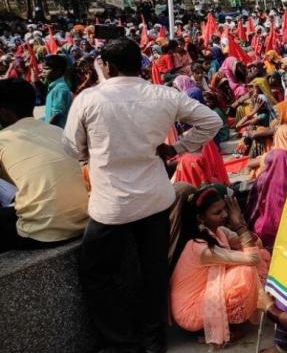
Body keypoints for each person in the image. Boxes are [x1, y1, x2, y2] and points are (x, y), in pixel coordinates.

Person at [63, 38, 222, 352]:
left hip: (112, 205)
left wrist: (91, 152)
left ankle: (122, 339)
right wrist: (177, 147)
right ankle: (153, 339)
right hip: (154, 200)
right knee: (154, 271)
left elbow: (70, 147)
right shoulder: (162, 95)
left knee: (95, 274)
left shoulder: (89, 99)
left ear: (106, 66)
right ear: (141, 64)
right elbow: (212, 121)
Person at [169, 185, 269, 349]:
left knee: (261, 255)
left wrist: (240, 223)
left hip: (203, 295)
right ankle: (210, 328)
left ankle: (224, 322)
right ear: (201, 218)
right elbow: (251, 258)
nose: (224, 215)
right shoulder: (199, 247)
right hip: (189, 311)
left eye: (225, 209)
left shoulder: (219, 231)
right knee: (246, 272)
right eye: (217, 213)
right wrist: (240, 226)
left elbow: (255, 244)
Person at [0, 78, 88, 253]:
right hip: (83, 222)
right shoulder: (57, 131)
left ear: (3, 113)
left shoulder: (3, 139)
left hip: (41, 234)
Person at [41, 54, 74, 127]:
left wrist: (46, 129)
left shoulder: (60, 88)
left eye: (47, 69)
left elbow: (57, 114)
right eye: (43, 68)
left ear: (58, 71)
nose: (43, 71)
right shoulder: (54, 86)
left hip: (57, 132)